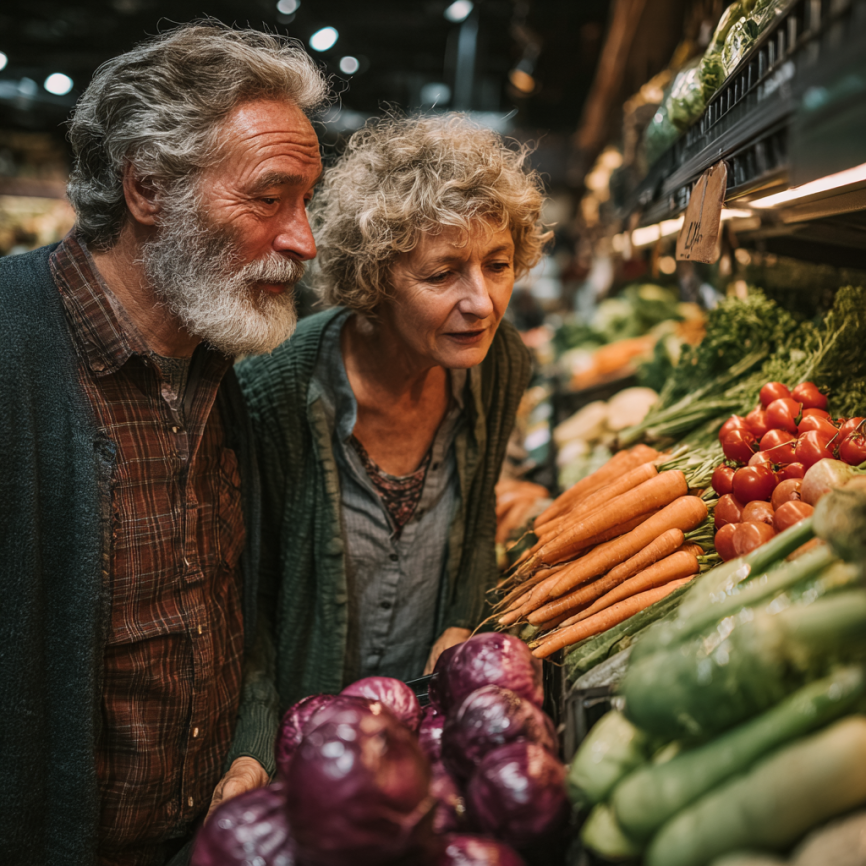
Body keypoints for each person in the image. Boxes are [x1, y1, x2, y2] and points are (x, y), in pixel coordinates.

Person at [0, 23, 328, 866]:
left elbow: (233, 602)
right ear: (147, 188)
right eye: (269, 197)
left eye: (307, 200)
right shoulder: (12, 346)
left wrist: (253, 740)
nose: (304, 240)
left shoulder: (226, 365)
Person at [237, 114, 550, 710]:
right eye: (442, 273)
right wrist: (258, 745)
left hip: (429, 725)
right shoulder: (274, 388)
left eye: (499, 264)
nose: (482, 303)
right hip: (309, 740)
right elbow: (249, 605)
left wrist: (463, 620)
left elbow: (480, 515)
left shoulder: (498, 364)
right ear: (374, 278)